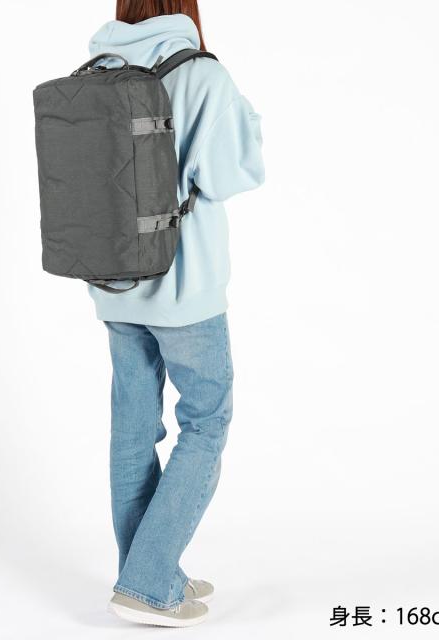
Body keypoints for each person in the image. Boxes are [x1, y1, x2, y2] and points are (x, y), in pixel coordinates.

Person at [92, 0, 265, 627]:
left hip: (113, 281)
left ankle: (145, 572)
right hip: (184, 286)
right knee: (206, 421)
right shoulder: (201, 74)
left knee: (133, 429)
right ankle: (146, 583)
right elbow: (231, 175)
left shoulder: (98, 67)